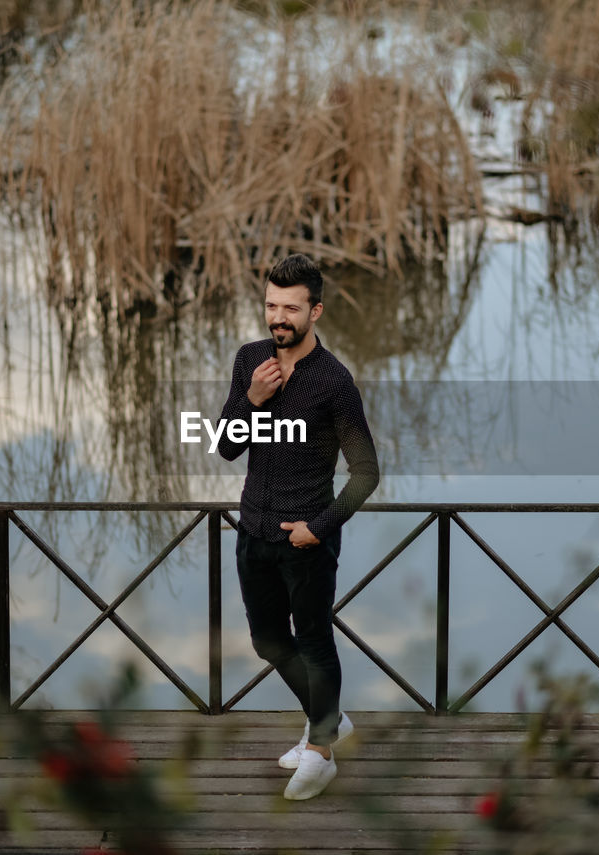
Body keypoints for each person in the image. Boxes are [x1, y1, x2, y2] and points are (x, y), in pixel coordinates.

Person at [217, 253, 380, 800]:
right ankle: (328, 717)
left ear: (316, 311)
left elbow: (366, 472)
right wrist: (252, 399)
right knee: (267, 641)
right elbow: (224, 447)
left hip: (306, 538)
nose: (278, 317)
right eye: (271, 305)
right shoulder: (250, 362)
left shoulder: (334, 383)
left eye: (291, 307)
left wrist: (321, 525)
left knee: (312, 641)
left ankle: (322, 749)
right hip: (252, 531)